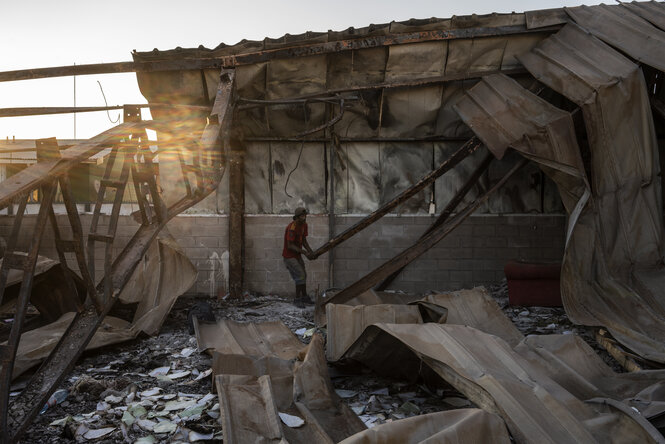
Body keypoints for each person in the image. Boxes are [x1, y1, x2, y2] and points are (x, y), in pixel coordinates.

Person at [283, 207, 316, 307]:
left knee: (303, 275)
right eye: (302, 216)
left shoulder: (304, 225)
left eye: (305, 215)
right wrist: (304, 252)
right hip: (289, 257)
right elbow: (290, 245)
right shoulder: (292, 228)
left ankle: (304, 297)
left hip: (297, 255)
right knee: (300, 275)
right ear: (297, 217)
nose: (304, 217)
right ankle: (297, 299)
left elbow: (304, 241)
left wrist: (311, 251)